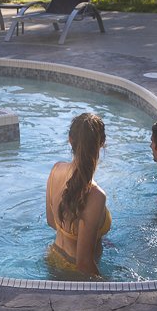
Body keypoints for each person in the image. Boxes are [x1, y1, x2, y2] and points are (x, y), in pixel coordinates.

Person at [46, 112, 111, 276]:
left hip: (52, 258)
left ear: (70, 140)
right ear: (102, 143)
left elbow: (51, 222)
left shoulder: (56, 170)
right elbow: (84, 264)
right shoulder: (96, 195)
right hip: (74, 275)